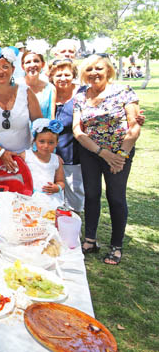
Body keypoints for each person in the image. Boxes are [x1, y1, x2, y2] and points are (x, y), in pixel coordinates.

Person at [72, 54, 141, 265]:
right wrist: (102, 152)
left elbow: (134, 125)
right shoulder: (81, 94)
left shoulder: (124, 92)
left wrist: (120, 155)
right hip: (91, 151)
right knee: (91, 195)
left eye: (99, 69)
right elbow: (77, 128)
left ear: (108, 70)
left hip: (120, 154)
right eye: (90, 69)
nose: (94, 73)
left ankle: (116, 245)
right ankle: (90, 240)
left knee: (116, 197)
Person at [0, 46, 42, 173]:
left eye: (5, 67)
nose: (1, 71)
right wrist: (0, 152)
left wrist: (36, 152)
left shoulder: (26, 92)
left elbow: (39, 123)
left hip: (25, 157)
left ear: (13, 69)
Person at [49, 58, 84, 212]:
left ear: (73, 75)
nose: (63, 78)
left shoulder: (82, 94)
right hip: (49, 154)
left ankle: (74, 229)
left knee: (74, 195)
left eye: (66, 74)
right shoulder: (48, 94)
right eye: (58, 75)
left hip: (73, 155)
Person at [21, 118, 65, 205]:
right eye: (42, 141)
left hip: (49, 199)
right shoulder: (27, 156)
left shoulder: (56, 160)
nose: (46, 146)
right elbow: (12, 160)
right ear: (34, 141)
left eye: (51, 142)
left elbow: (61, 181)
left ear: (57, 143)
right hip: (29, 197)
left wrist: (58, 188)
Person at [21, 51, 54, 119]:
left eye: (36, 61)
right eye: (28, 62)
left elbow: (51, 117)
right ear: (22, 66)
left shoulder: (50, 89)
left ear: (43, 64)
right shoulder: (14, 85)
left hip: (43, 128)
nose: (32, 65)